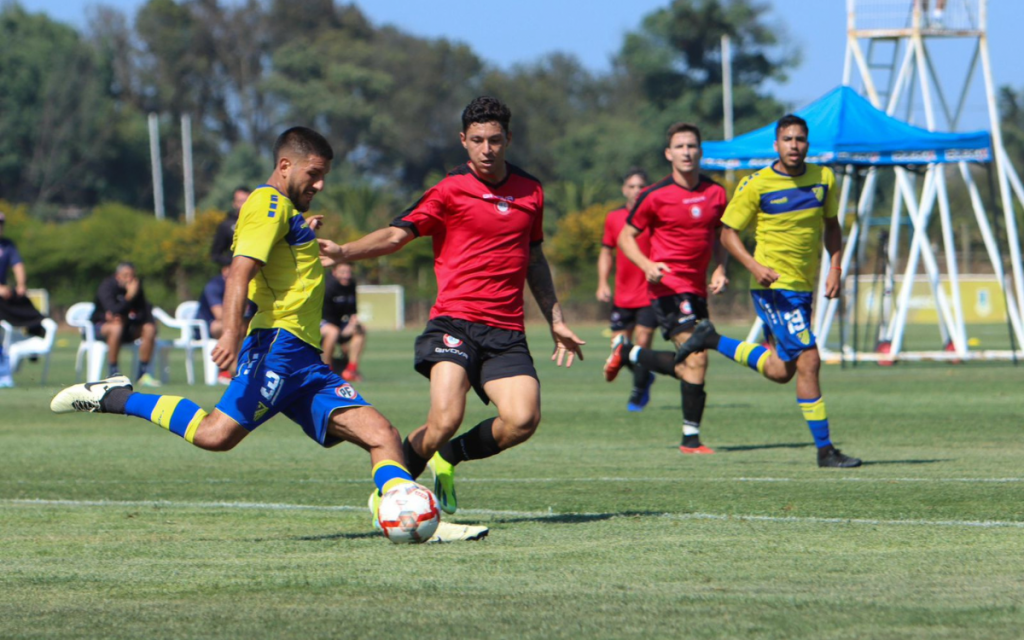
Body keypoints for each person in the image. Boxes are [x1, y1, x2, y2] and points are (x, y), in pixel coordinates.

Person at [51, 127, 434, 541]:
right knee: (215, 436)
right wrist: (231, 334)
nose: (320, 185)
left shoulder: (283, 211)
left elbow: (281, 255)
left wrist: (304, 229)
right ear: (285, 166)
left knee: (383, 436)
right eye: (314, 174)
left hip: (304, 359)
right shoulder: (265, 204)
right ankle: (115, 396)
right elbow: (241, 270)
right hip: (277, 347)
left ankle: (403, 511)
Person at [319, 96, 586, 519]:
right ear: (463, 141)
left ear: (509, 139)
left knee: (522, 420)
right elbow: (396, 236)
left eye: (495, 140)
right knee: (444, 418)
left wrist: (555, 318)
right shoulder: (449, 190)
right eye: (477, 140)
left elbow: (533, 258)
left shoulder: (531, 190)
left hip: (506, 331)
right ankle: (393, 492)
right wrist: (344, 252)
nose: (487, 149)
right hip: (454, 323)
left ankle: (449, 457)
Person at [673, 114, 862, 468]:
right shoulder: (756, 184)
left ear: (808, 144)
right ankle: (825, 451)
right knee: (810, 360)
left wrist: (835, 267)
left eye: (800, 139)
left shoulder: (824, 178)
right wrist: (754, 266)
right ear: (776, 145)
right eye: (788, 139)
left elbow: (832, 225)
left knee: (780, 371)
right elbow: (727, 233)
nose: (794, 145)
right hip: (774, 288)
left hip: (803, 287)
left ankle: (711, 338)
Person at [604, 123, 729, 454]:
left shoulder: (716, 193)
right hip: (667, 288)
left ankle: (628, 353)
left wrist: (721, 267)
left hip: (697, 290)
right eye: (680, 146)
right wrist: (647, 266)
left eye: (692, 146)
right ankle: (691, 439)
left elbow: (722, 235)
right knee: (697, 355)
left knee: (692, 362)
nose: (686, 152)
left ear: (700, 151)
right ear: (668, 154)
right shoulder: (654, 195)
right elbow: (624, 238)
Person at [597, 168, 658, 412]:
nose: (636, 191)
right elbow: (605, 252)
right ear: (624, 190)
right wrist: (602, 282)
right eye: (631, 187)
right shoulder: (613, 218)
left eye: (641, 186)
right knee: (619, 350)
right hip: (623, 296)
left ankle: (638, 393)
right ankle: (647, 374)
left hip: (650, 294)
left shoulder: (655, 217)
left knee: (642, 344)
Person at [91, 262, 162, 387]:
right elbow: (113, 310)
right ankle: (113, 373)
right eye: (126, 275)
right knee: (116, 327)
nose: (129, 279)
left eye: (132, 276)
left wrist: (132, 317)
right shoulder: (107, 287)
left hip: (127, 327)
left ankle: (143, 374)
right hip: (101, 328)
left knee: (149, 328)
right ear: (118, 276)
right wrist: (129, 297)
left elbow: (145, 313)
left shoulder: (136, 288)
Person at [0, 211, 48, 387]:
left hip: (3, 295)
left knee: (24, 303)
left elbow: (18, 266)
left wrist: (21, 284)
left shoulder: (7, 245)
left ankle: (35, 336)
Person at [321, 262, 366, 381]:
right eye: (343, 273)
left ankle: (351, 370)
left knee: (360, 329)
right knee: (333, 332)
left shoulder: (351, 285)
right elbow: (322, 315)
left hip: (339, 324)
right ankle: (326, 371)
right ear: (334, 272)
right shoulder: (326, 285)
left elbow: (352, 311)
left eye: (349, 272)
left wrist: (353, 321)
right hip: (321, 323)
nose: (347, 276)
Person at [210, 186, 251, 267]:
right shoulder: (226, 225)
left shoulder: (257, 222)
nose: (243, 205)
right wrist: (229, 264)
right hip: (235, 271)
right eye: (240, 201)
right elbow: (215, 254)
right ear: (234, 203)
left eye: (246, 201)